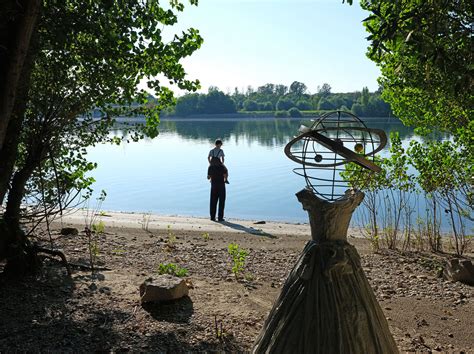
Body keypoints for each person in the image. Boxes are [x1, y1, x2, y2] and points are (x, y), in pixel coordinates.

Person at [207, 157, 228, 222]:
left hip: (213, 186)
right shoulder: (222, 167)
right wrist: (225, 179)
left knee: (213, 202)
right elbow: (225, 174)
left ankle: (212, 217)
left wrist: (210, 177)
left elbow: (208, 177)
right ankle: (220, 218)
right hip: (221, 186)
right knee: (221, 202)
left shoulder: (210, 167)